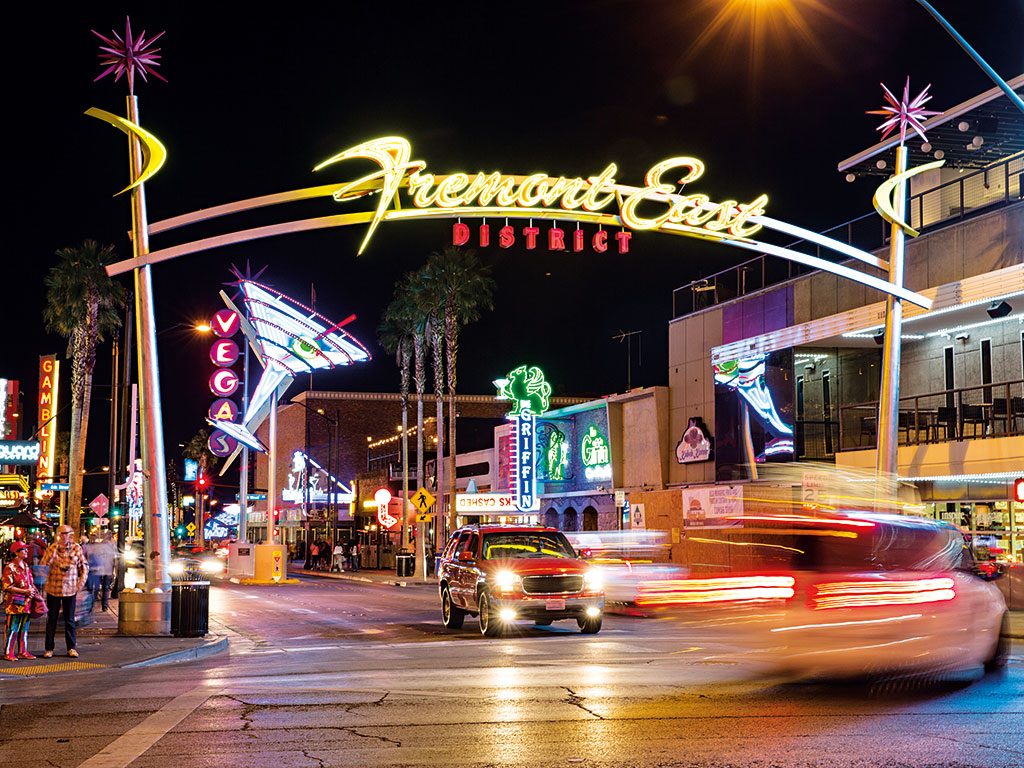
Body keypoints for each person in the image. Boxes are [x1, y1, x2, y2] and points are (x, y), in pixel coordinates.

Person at [41, 525, 88, 658]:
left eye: (65, 534)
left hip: (70, 590)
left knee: (70, 620)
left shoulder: (76, 548)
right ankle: (49, 648)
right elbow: (43, 566)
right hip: (53, 589)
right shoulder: (52, 548)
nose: (63, 536)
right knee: (52, 620)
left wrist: (80, 584)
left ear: (70, 535)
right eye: (60, 534)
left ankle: (71, 648)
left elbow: (84, 567)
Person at [3, 541, 38, 661]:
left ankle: (23, 651)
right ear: (16, 553)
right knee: (12, 628)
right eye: (24, 549)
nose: (27, 551)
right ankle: (9, 652)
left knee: (24, 628)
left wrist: (33, 590)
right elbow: (7, 586)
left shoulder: (26, 566)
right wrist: (25, 591)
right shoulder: (10, 567)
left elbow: (30, 582)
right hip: (14, 604)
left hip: (26, 603)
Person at [86, 533, 116, 612]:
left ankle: (92, 606)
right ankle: (104, 606)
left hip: (100, 570)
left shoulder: (100, 546)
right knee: (105, 589)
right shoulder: (111, 547)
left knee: (96, 589)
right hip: (106, 570)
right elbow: (113, 560)